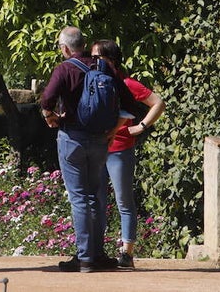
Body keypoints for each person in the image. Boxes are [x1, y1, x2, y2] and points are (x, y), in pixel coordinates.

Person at [41, 26, 136, 272]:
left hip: (72, 139)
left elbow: (46, 100)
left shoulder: (64, 69)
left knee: (79, 199)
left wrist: (50, 116)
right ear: (83, 44)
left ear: (64, 48)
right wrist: (114, 130)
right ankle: (97, 255)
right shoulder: (104, 67)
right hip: (100, 140)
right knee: (95, 198)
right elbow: (129, 103)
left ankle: (84, 258)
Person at [91, 39, 165, 269]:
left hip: (120, 149)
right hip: (96, 149)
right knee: (97, 202)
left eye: (97, 57)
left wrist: (140, 126)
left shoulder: (127, 83)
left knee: (124, 201)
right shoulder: (93, 81)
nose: (92, 62)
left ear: (111, 60)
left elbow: (158, 103)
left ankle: (126, 253)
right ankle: (97, 252)